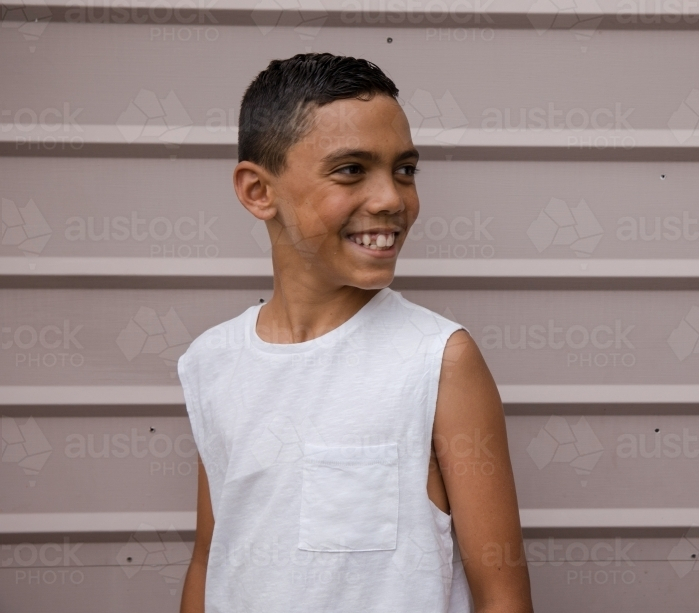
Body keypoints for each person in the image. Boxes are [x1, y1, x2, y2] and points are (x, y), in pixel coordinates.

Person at [178, 53, 532, 612]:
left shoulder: (437, 361)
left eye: (405, 170)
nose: (392, 198)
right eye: (350, 169)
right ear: (257, 191)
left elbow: (502, 594)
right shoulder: (211, 362)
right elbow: (211, 557)